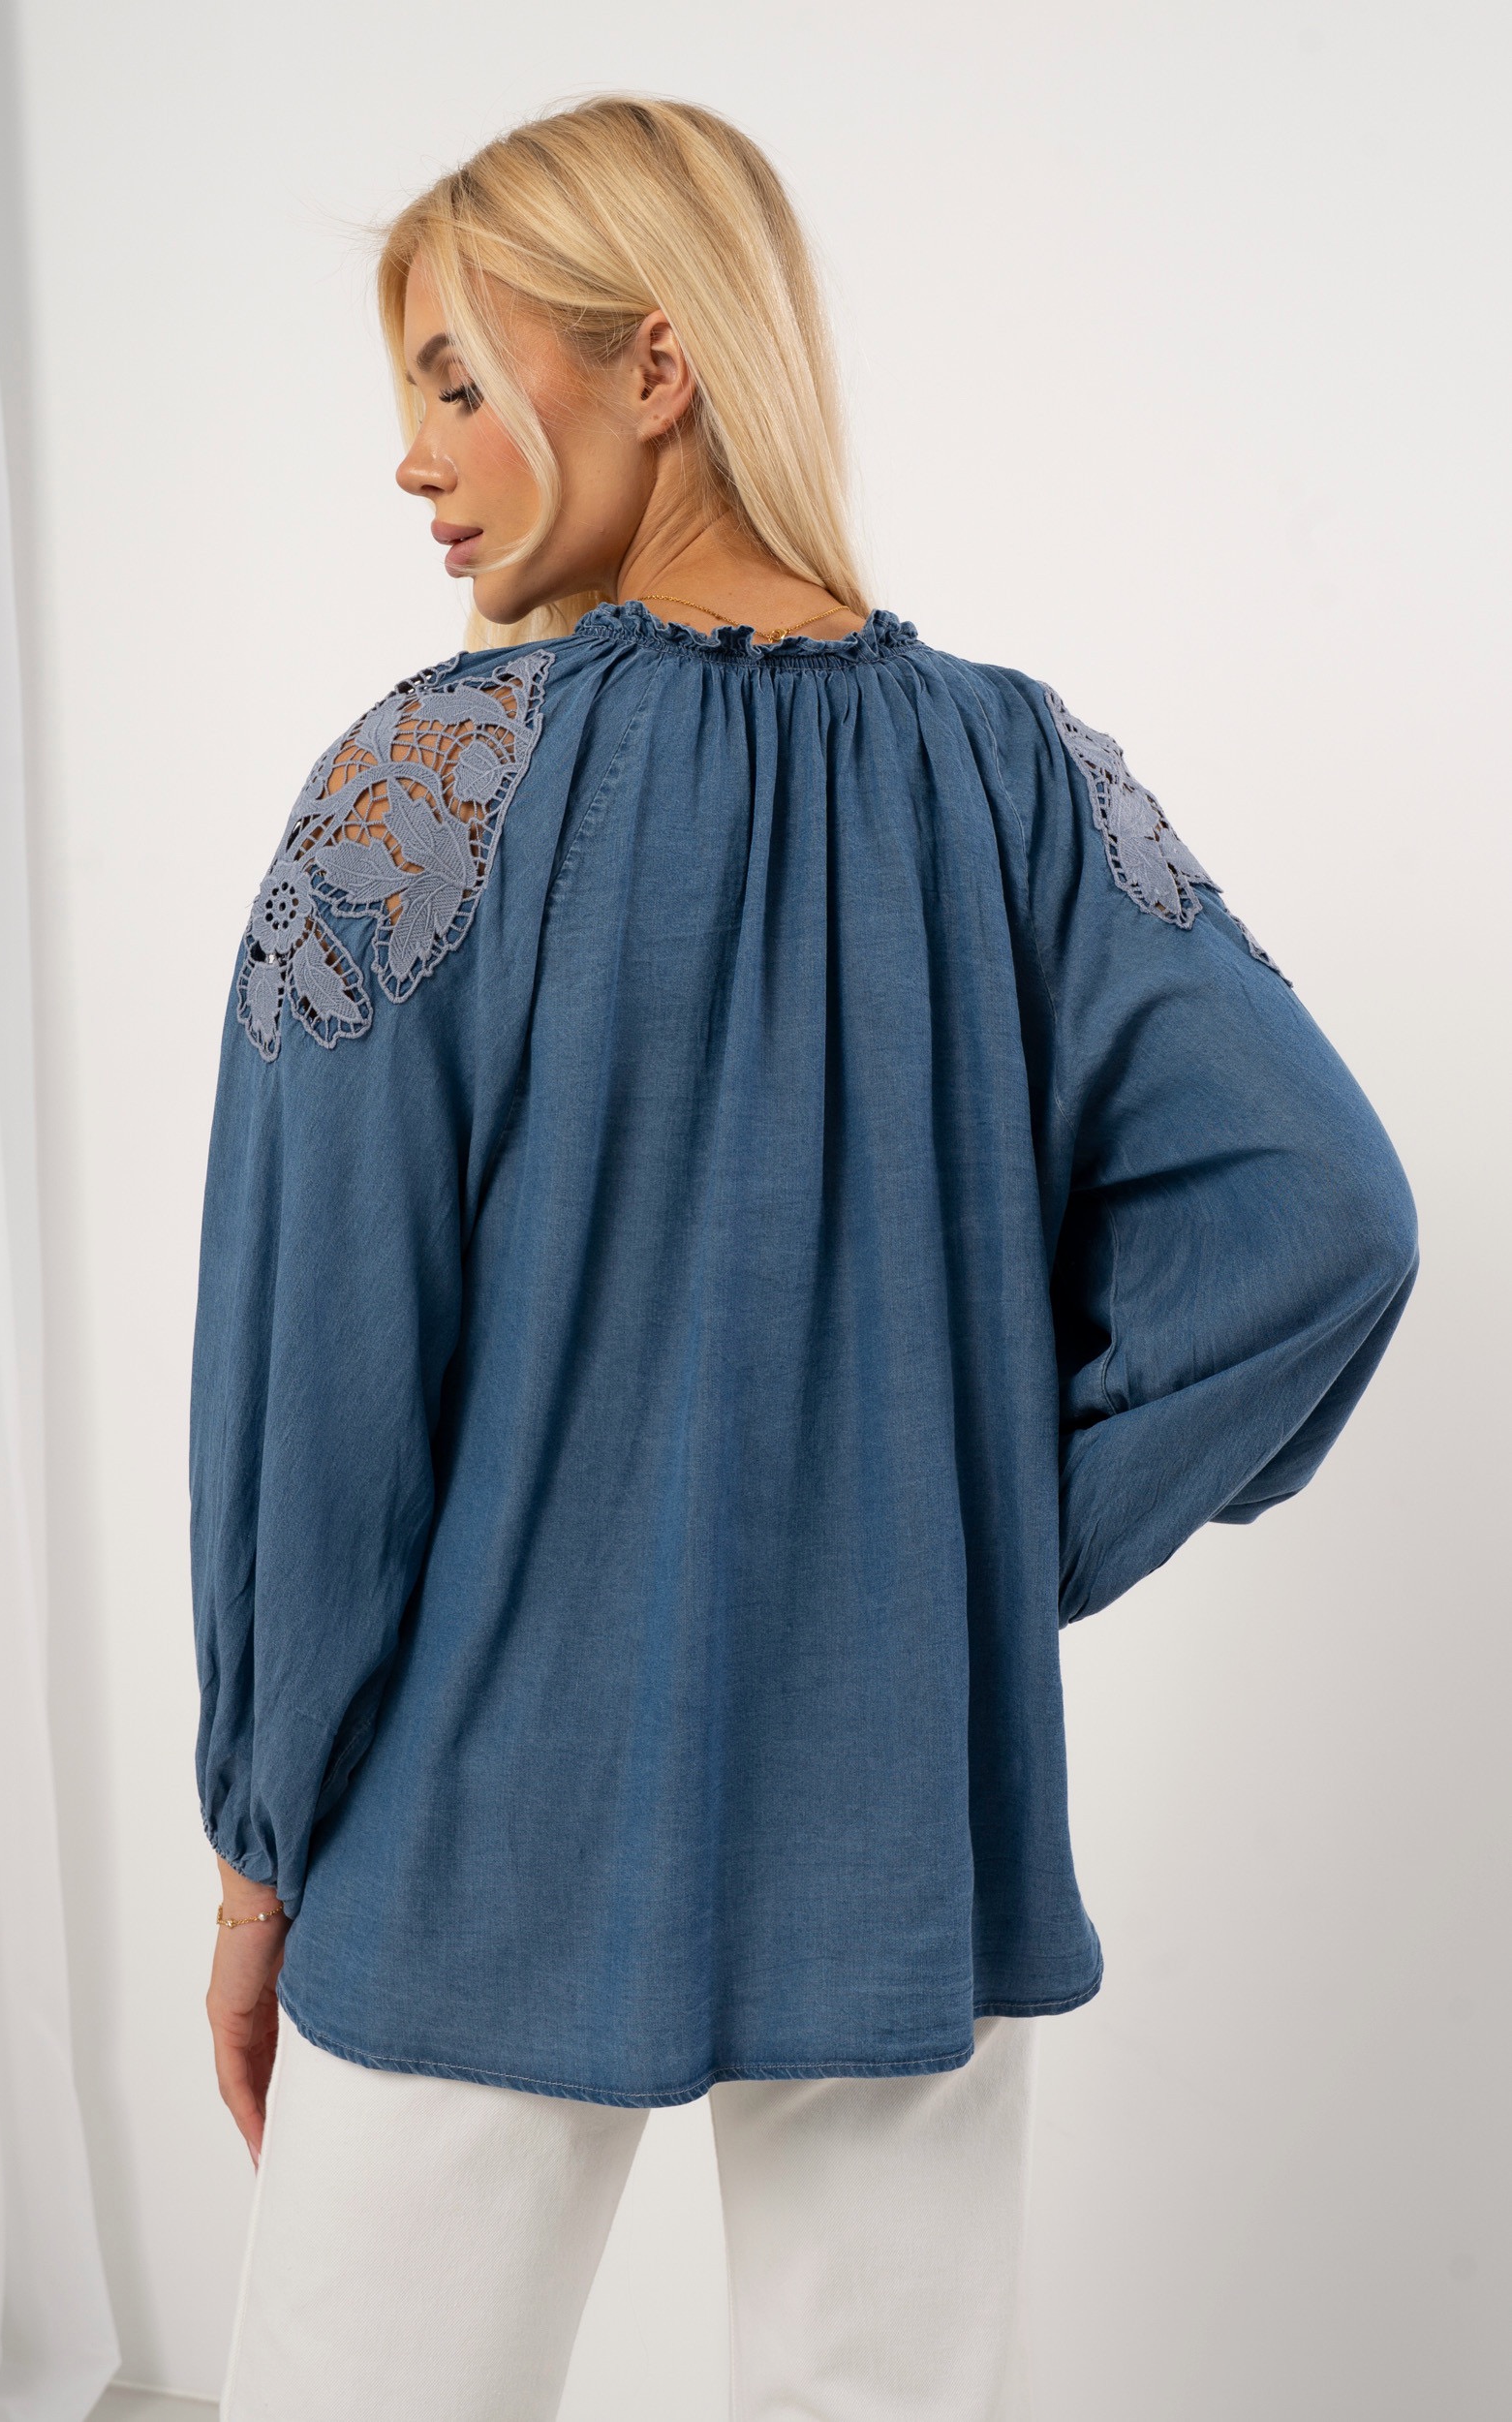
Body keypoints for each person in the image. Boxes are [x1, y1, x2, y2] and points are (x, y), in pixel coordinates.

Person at [189, 95, 1418, 2422]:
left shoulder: (425, 795)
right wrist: (952, 1554)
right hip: (902, 1812)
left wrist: (260, 1856)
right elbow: (1325, 1223)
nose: (414, 457)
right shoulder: (1022, 779)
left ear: (655, 366)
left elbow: (313, 1386)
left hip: (466, 1826)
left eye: (457, 376)